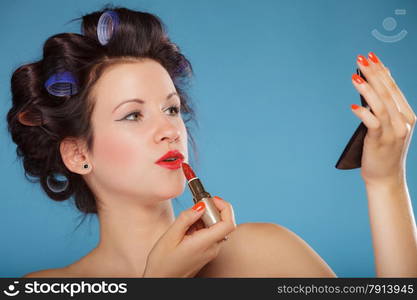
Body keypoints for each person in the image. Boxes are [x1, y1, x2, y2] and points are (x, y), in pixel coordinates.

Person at [7, 6, 416, 278]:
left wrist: (385, 182)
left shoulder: (265, 254)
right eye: (133, 114)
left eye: (171, 109)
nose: (171, 130)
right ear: (79, 154)